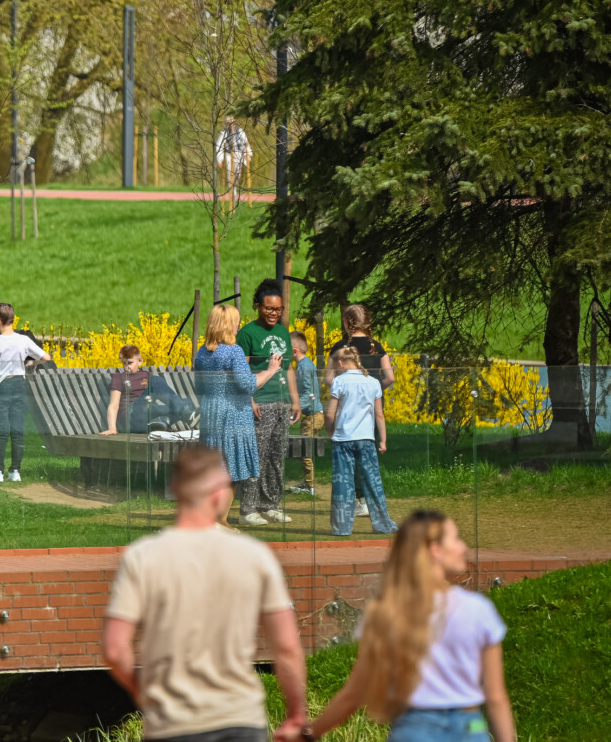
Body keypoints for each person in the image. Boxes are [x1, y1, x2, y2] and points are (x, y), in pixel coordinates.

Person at [104, 446, 308, 742]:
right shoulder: (255, 557)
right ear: (220, 494)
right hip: (239, 718)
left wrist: (143, 693)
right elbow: (287, 647)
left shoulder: (142, 557)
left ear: (175, 489)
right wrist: (297, 715)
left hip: (172, 721)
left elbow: (114, 649)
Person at [302, 511, 515, 742]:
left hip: (413, 729)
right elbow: (496, 698)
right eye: (456, 539)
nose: (463, 547)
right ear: (435, 550)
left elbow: (353, 695)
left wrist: (309, 733)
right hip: (470, 727)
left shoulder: (387, 613)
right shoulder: (478, 609)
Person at [193, 303, 282, 524]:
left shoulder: (202, 353)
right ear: (227, 325)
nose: (238, 327)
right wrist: (270, 370)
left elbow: (199, 387)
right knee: (231, 468)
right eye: (236, 322)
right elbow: (247, 384)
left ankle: (211, 519)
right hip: (233, 413)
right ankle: (220, 521)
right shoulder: (234, 352)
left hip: (211, 412)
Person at [324, 304, 394, 519]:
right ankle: (367, 499)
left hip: (346, 408)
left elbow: (328, 378)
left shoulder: (340, 347)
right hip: (370, 407)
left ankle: (358, 499)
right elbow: (390, 378)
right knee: (367, 454)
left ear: (346, 322)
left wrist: (345, 389)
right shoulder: (377, 347)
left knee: (348, 455)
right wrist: (372, 390)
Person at [237, 279, 298, 524]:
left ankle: (270, 504)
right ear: (258, 306)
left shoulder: (283, 332)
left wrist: (295, 400)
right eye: (269, 308)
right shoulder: (247, 333)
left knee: (276, 457)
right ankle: (248, 509)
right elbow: (242, 371)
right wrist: (249, 399)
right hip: (260, 403)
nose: (274, 313)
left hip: (281, 402)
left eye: (278, 309)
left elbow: (288, 368)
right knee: (257, 456)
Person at [0, 303, 52, 483]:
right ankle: (15, 472)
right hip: (19, 386)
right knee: (17, 430)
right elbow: (46, 357)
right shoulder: (23, 340)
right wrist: (32, 363)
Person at [289, 331, 323, 496]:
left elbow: (308, 394)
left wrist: (294, 410)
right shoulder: (308, 364)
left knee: (304, 450)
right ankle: (308, 482)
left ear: (294, 351)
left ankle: (309, 486)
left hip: (312, 416)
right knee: (306, 450)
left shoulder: (303, 366)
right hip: (315, 415)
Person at [101, 343, 149, 436]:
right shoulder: (119, 377)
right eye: (124, 363)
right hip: (130, 415)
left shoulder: (146, 375)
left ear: (140, 361)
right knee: (156, 381)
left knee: (156, 382)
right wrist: (112, 428)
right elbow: (113, 405)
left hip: (146, 414)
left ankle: (175, 411)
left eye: (130, 363)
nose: (127, 367)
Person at [215, 115, 253, 209]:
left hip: (239, 155)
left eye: (232, 123)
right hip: (229, 156)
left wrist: (248, 154)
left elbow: (246, 144)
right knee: (230, 173)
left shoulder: (241, 132)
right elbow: (219, 146)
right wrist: (220, 159)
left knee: (237, 175)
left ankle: (233, 190)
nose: (231, 125)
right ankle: (233, 193)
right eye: (229, 123)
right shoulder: (224, 134)